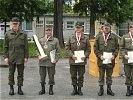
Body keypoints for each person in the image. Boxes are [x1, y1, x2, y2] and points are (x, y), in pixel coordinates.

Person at [3, 17, 29, 95]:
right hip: (11, 57)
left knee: (20, 74)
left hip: (21, 58)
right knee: (11, 73)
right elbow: (5, 47)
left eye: (16, 24)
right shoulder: (8, 34)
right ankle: (11, 89)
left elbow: (26, 47)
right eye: (13, 24)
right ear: (11, 24)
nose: (15, 25)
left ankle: (19, 89)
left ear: (18, 24)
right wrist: (6, 57)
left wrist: (26, 57)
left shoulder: (23, 34)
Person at [65, 22, 91, 96]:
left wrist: (85, 56)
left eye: (79, 27)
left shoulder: (85, 38)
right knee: (73, 75)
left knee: (81, 75)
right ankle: (74, 89)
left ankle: (79, 89)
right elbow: (67, 48)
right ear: (75, 28)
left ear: (82, 28)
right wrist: (72, 55)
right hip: (73, 60)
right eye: (77, 27)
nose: (78, 29)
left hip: (82, 61)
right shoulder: (71, 37)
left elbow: (88, 49)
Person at [94, 23, 119, 96]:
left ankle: (109, 89)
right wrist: (99, 56)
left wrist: (114, 55)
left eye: (108, 28)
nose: (106, 29)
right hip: (101, 60)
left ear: (110, 29)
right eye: (105, 28)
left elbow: (117, 48)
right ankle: (101, 89)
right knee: (101, 76)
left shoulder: (114, 37)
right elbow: (95, 48)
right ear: (102, 29)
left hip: (110, 60)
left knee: (109, 76)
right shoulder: (98, 37)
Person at [36, 25, 60, 95]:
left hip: (51, 61)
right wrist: (38, 55)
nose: (48, 31)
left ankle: (50, 89)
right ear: (45, 31)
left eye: (49, 30)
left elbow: (58, 52)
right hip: (42, 61)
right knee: (42, 76)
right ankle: (42, 89)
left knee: (51, 76)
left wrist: (56, 60)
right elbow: (37, 49)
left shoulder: (55, 40)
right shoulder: (41, 40)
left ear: (51, 31)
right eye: (47, 30)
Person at [120, 24, 133, 96]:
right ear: (129, 29)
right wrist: (124, 55)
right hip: (127, 59)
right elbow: (121, 47)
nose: (132, 29)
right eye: (131, 28)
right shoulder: (124, 37)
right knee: (128, 74)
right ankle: (128, 89)